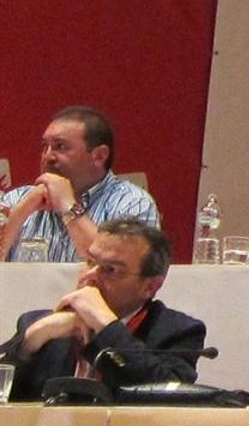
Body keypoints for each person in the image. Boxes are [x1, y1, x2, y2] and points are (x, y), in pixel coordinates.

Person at [0, 221, 205, 400]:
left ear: (150, 286)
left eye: (110, 269)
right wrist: (29, 342)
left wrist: (105, 325)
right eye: (90, 261)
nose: (90, 276)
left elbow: (170, 397)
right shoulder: (39, 324)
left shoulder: (177, 331)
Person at [0, 106, 160, 265]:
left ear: (99, 156)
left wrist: (69, 207)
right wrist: (25, 207)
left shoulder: (132, 203)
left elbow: (118, 268)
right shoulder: (17, 198)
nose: (48, 156)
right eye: (44, 147)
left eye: (60, 147)